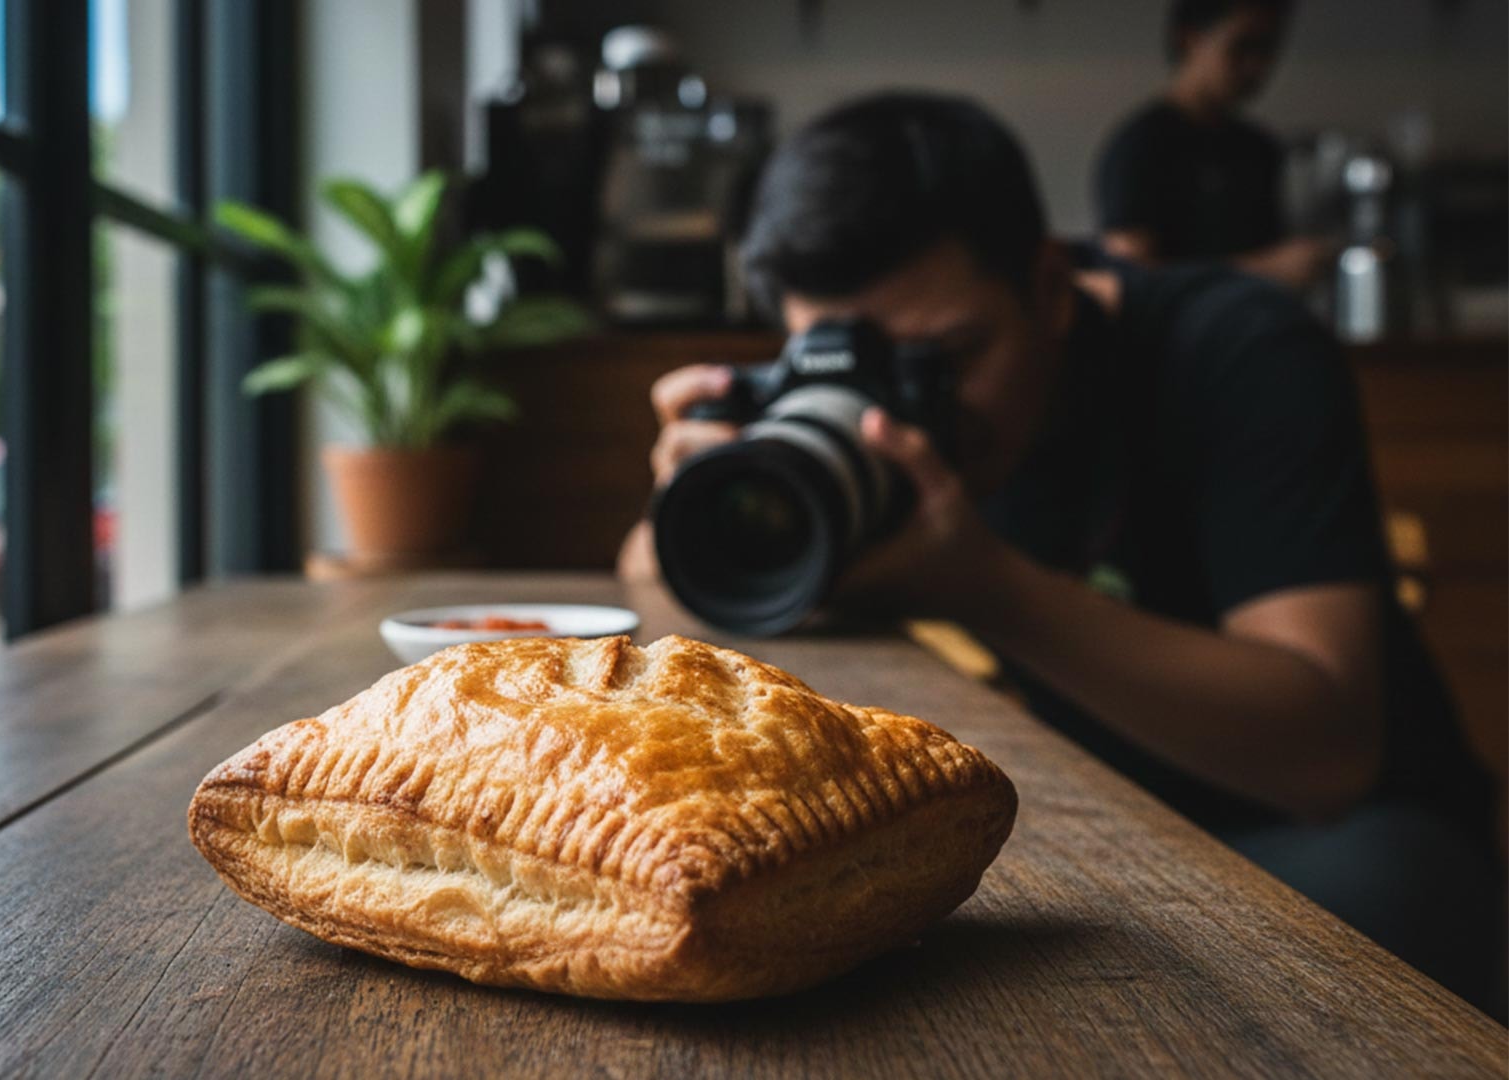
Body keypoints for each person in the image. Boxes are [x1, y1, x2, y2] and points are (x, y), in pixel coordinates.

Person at [619, 92, 1503, 1017]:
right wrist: (703, 493)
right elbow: (657, 583)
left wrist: (984, 587)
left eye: (945, 358)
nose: (906, 408)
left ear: (1049, 286)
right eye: (844, 365)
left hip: (1351, 833)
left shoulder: (1236, 349)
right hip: (1102, 811)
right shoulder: (861, 435)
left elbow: (1327, 756)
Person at [1092, 0, 1332, 288]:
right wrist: (1264, 269)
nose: (1256, 66)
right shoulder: (1141, 147)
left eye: (1268, 49)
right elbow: (1130, 279)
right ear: (1191, 39)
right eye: (1242, 45)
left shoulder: (1258, 148)